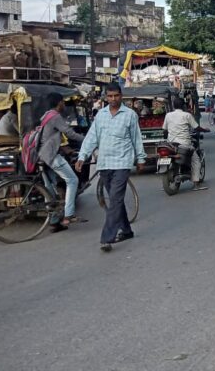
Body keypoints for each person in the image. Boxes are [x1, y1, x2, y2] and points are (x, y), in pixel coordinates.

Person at [76, 83, 146, 252]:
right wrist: (82, 156)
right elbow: (92, 137)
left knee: (114, 200)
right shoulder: (101, 115)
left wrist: (141, 158)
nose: (113, 99)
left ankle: (107, 238)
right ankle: (127, 230)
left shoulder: (130, 115)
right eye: (110, 96)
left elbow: (136, 138)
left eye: (116, 96)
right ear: (106, 97)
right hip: (104, 163)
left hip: (122, 163)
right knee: (116, 200)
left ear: (121, 96)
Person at [38, 93, 86, 231]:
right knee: (73, 180)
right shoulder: (55, 116)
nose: (64, 104)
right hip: (51, 156)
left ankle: (54, 221)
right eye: (63, 102)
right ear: (59, 103)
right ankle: (69, 214)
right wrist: (87, 139)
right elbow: (69, 133)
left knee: (49, 190)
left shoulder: (46, 115)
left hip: (42, 155)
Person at [163, 97, 208, 191]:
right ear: (184, 106)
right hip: (184, 143)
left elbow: (165, 130)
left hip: (171, 144)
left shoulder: (168, 115)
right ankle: (196, 184)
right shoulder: (187, 115)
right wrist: (205, 130)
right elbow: (196, 127)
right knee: (196, 160)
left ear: (173, 106)